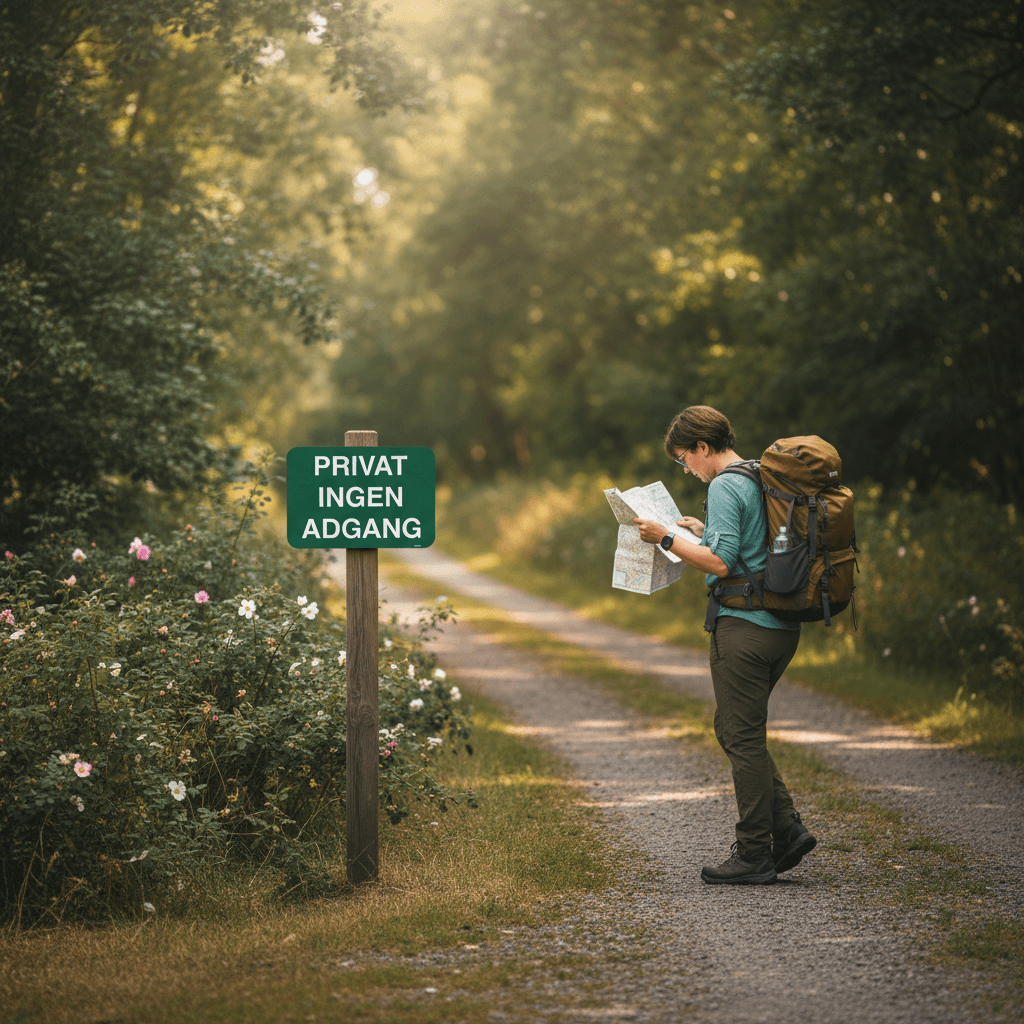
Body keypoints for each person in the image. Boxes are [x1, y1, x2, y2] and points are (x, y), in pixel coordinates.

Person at [633, 405, 816, 885]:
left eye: (683, 459)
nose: (686, 469)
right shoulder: (757, 474)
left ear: (702, 447)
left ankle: (756, 851)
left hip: (744, 628)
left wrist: (667, 537)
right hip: (781, 627)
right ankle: (788, 830)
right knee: (735, 729)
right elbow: (741, 543)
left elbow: (720, 564)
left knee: (742, 736)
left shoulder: (723, 484)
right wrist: (698, 530)